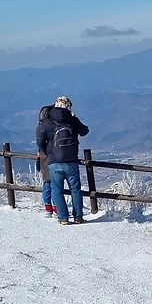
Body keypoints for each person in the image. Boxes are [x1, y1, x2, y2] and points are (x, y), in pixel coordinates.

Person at [36, 96, 90, 225]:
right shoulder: (72, 120)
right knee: (75, 190)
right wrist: (75, 118)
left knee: (57, 190)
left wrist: (47, 151)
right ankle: (78, 217)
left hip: (54, 161)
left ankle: (63, 218)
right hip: (71, 160)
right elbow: (84, 131)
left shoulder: (48, 122)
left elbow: (39, 141)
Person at [36, 104, 57, 218]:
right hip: (50, 156)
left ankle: (48, 207)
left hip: (42, 157)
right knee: (54, 183)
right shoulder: (50, 126)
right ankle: (56, 206)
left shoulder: (39, 127)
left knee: (46, 182)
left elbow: (39, 142)